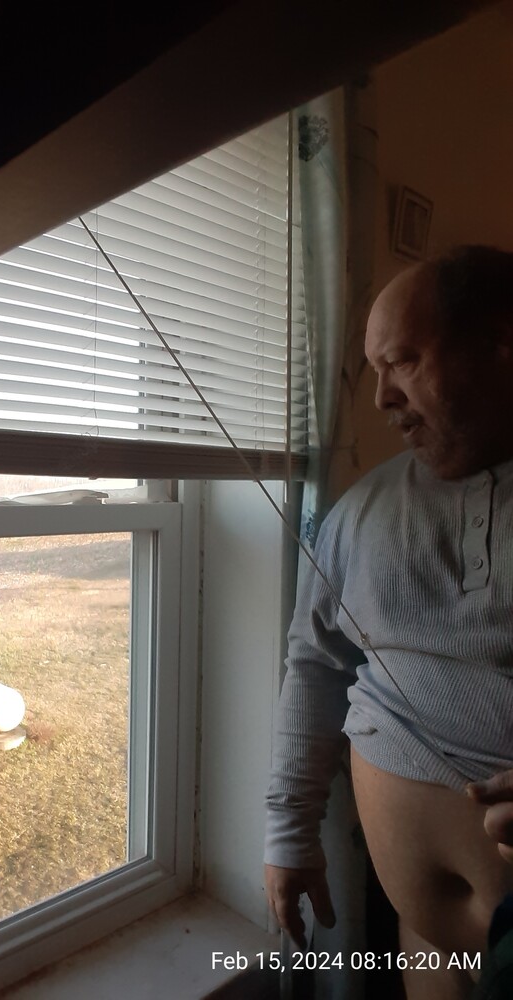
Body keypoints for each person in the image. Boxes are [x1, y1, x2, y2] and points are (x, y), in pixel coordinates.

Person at [264, 245, 513, 999]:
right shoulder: (359, 513)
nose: (379, 398)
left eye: (401, 361)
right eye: (373, 370)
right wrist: (289, 833)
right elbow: (314, 663)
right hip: (423, 940)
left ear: (501, 345)